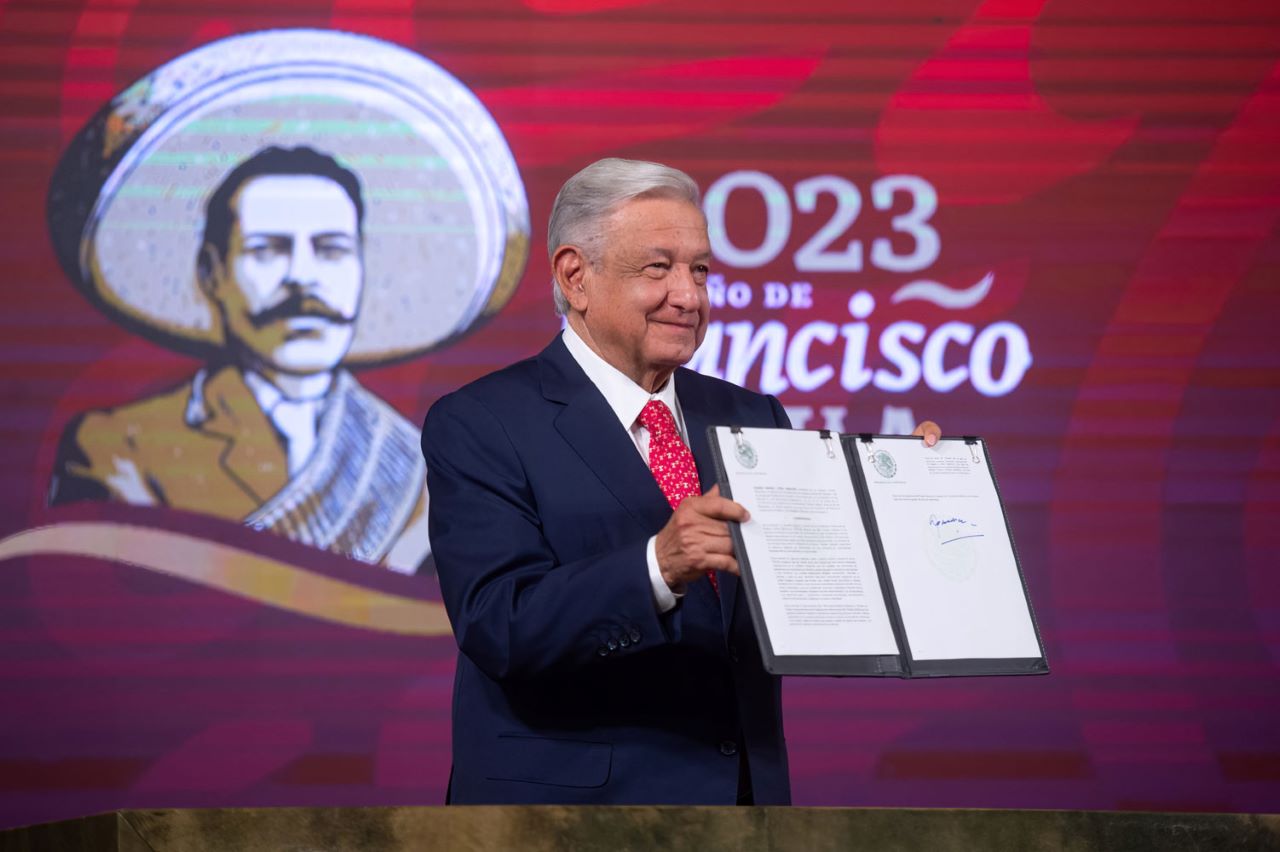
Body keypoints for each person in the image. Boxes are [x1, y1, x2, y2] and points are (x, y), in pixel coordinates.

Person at [423, 158, 941, 804]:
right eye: (658, 268)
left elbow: (817, 584)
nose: (690, 296)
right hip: (565, 821)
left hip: (739, 816)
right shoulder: (481, 423)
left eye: (699, 270)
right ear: (574, 277)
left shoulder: (753, 417)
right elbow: (498, 624)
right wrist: (657, 568)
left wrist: (907, 506)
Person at [50, 146, 429, 571]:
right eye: (268, 249)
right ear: (213, 273)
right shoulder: (122, 448)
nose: (302, 277)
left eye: (331, 249)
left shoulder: (419, 464)